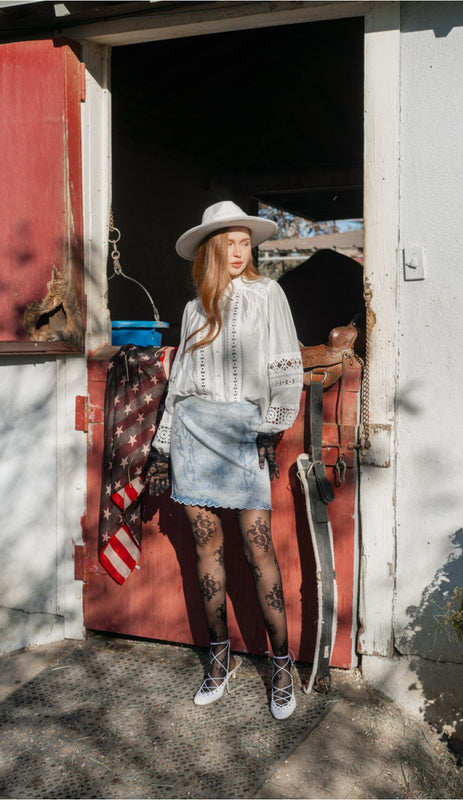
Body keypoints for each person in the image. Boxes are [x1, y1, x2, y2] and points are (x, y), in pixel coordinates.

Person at [147, 200, 303, 720]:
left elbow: (286, 367)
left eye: (244, 243)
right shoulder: (195, 309)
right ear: (212, 249)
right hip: (194, 432)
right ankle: (220, 659)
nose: (238, 252)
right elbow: (178, 386)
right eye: (228, 243)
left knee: (260, 552)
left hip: (243, 433)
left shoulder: (268, 294)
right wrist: (164, 449)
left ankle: (282, 665)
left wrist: (272, 428)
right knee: (206, 550)